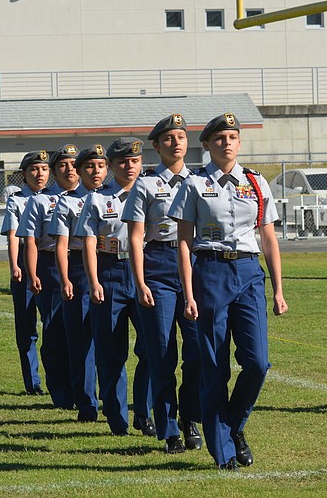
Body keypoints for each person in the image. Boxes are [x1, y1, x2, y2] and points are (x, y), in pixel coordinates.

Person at [169, 113, 287, 471]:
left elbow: (268, 237)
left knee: (258, 362)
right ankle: (223, 452)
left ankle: (232, 425)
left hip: (249, 272)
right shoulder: (193, 184)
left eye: (233, 137)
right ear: (206, 144)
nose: (227, 143)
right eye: (219, 138)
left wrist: (279, 288)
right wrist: (188, 293)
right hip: (210, 272)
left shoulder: (255, 182)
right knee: (214, 365)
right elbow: (184, 243)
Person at [122, 114, 202, 454]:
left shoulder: (200, 181)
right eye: (168, 138)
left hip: (195, 266)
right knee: (162, 352)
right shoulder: (145, 184)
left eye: (181, 136)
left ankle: (191, 417)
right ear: (157, 145)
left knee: (199, 350)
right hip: (157, 266)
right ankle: (169, 429)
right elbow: (136, 238)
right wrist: (140, 282)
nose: (176, 142)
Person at [75, 137, 154, 437]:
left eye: (134, 161)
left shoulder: (151, 192)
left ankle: (144, 413)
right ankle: (117, 418)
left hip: (144, 272)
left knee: (151, 347)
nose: (129, 166)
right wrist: (94, 281)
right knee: (111, 352)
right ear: (111, 166)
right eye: (122, 162)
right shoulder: (98, 199)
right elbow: (89, 242)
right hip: (109, 270)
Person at [17, 144, 79, 410]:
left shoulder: (91, 197)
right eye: (63, 164)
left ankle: (85, 389)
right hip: (51, 266)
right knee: (55, 330)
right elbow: (29, 240)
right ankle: (62, 392)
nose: (69, 169)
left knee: (85, 331)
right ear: (55, 171)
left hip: (85, 265)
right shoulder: (41, 200)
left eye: (74, 164)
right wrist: (32, 274)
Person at [48, 145, 107, 423]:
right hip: (80, 270)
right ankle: (86, 403)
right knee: (80, 340)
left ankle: (112, 399)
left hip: (111, 266)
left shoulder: (115, 197)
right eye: (89, 167)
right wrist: (65, 278)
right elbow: (62, 244)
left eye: (101, 166)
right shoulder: (69, 201)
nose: (96, 172)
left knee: (110, 340)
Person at [0, 151, 50, 395]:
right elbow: (12, 236)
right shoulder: (17, 200)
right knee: (27, 325)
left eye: (43, 169)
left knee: (54, 324)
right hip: (23, 257)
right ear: (24, 174)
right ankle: (33, 383)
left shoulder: (58, 197)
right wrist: (15, 266)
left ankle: (58, 379)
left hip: (50, 260)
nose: (39, 174)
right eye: (33, 169)